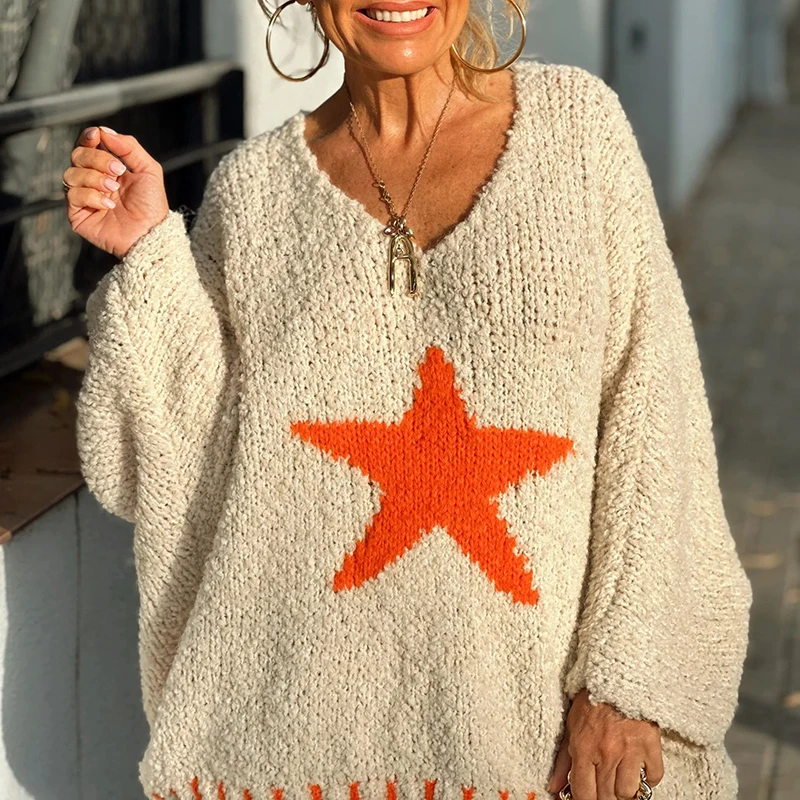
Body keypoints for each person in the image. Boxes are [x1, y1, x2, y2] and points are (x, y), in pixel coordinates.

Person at [63, 1, 753, 799]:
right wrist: (148, 256)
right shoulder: (252, 196)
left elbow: (656, 410)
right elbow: (173, 469)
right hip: (304, 745)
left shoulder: (578, 131)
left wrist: (628, 682)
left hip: (543, 745)